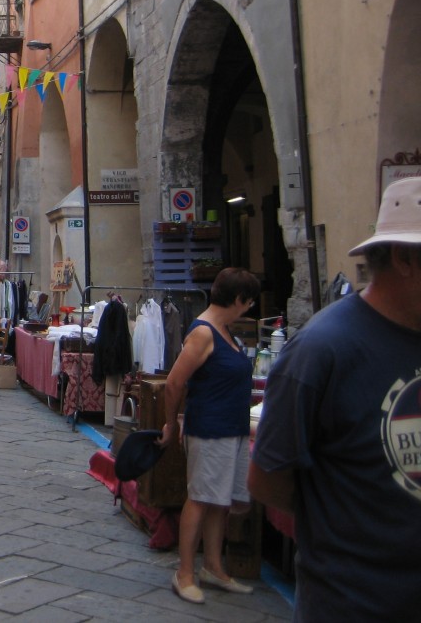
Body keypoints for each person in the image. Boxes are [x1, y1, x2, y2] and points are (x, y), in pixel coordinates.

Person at [249, 177, 421, 621]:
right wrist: (344, 526)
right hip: (355, 604)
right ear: (404, 259)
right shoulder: (321, 350)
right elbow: (268, 478)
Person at [157, 266, 261, 605]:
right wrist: (171, 423)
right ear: (239, 300)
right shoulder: (203, 333)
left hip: (231, 430)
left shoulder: (225, 331)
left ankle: (214, 568)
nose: (250, 308)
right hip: (210, 429)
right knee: (201, 498)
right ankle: (184, 572)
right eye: (249, 302)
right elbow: (174, 383)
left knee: (220, 502)